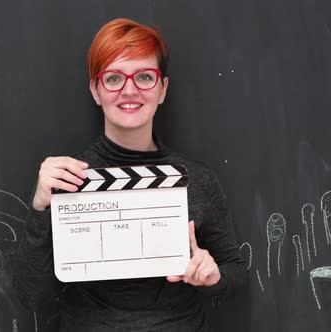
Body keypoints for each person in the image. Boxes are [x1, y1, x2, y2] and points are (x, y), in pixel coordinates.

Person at [13, 18, 247, 331]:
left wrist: (213, 275)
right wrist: (41, 207)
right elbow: (32, 297)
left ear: (163, 89)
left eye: (145, 76)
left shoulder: (197, 179)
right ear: (95, 90)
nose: (130, 90)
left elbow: (235, 270)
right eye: (113, 78)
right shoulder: (66, 178)